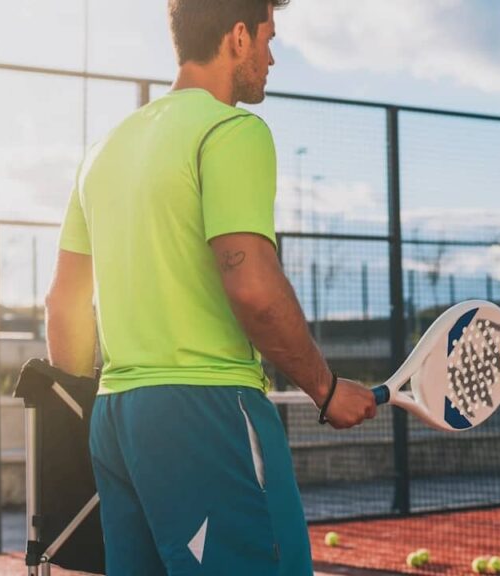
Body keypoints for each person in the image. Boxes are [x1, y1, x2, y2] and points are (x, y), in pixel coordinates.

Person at [44, 1, 376, 574]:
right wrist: (325, 390)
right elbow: (253, 288)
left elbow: (65, 307)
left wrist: (100, 413)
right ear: (239, 36)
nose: (272, 57)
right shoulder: (233, 130)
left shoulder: (101, 151)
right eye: (270, 39)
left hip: (115, 420)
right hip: (210, 411)